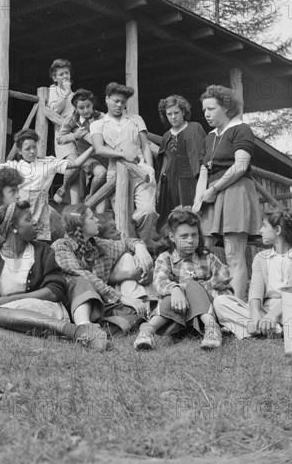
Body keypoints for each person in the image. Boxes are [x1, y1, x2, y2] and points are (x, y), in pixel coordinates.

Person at [0, 201, 109, 350]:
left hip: (48, 312)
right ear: (13, 228)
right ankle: (57, 344)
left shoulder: (43, 251)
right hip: (13, 318)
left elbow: (55, 290)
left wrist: (10, 299)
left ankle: (73, 330)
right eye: (28, 219)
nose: (35, 222)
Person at [0, 129, 93, 242]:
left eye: (34, 147)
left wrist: (93, 148)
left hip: (41, 211)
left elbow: (75, 164)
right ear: (20, 151)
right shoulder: (14, 166)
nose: (32, 151)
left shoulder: (48, 163)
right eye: (28, 149)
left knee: (42, 244)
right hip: (20, 210)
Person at [193, 85, 262, 301]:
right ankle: (203, 304)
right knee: (200, 251)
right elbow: (203, 172)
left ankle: (237, 307)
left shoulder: (241, 129)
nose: (206, 114)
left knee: (234, 256)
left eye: (211, 109)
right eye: (204, 109)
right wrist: (197, 201)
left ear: (226, 108)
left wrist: (214, 189)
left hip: (235, 193)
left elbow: (241, 166)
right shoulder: (209, 138)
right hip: (211, 197)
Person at [133, 207, 231, 351]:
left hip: (203, 315)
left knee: (192, 287)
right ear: (172, 237)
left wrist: (198, 287)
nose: (190, 241)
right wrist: (175, 289)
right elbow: (159, 283)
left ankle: (212, 330)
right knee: (170, 295)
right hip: (176, 317)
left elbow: (224, 277)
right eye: (184, 236)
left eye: (194, 235)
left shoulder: (207, 257)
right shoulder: (165, 258)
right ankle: (147, 333)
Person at [214, 208, 292, 339]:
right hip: (264, 310)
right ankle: (275, 330)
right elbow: (255, 290)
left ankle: (263, 329)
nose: (260, 230)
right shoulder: (260, 257)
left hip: (291, 309)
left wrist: (273, 315)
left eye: (264, 226)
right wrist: (254, 314)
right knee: (220, 301)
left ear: (278, 230)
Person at [52, 204, 154, 335]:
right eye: (91, 218)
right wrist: (121, 297)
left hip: (100, 303)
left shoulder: (98, 244)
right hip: (73, 304)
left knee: (134, 315)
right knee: (82, 281)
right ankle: (83, 327)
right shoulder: (61, 246)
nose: (96, 221)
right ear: (80, 225)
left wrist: (140, 248)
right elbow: (83, 274)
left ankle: (99, 330)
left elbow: (126, 243)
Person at [90, 82, 158, 248]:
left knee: (147, 211)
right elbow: (99, 148)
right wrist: (123, 154)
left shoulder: (135, 119)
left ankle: (146, 245)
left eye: (123, 102)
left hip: (141, 172)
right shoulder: (98, 124)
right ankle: (132, 251)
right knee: (124, 218)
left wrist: (150, 167)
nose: (120, 105)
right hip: (116, 174)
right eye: (116, 101)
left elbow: (145, 145)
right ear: (107, 99)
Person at [156, 95, 206, 229]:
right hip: (170, 182)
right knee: (171, 219)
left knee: (191, 217)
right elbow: (165, 160)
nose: (173, 117)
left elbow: (202, 156)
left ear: (183, 112)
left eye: (176, 113)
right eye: (169, 114)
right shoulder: (167, 135)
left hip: (191, 179)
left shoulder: (195, 127)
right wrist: (159, 184)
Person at [54, 89, 107, 211]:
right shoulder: (72, 120)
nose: (86, 110)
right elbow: (60, 139)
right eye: (81, 108)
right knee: (74, 167)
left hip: (101, 157)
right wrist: (75, 136)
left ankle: (91, 195)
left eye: (88, 106)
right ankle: (63, 188)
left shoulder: (102, 117)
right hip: (85, 157)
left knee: (102, 174)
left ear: (92, 104)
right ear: (76, 109)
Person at [96, 212, 156, 303]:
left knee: (136, 256)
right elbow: (102, 279)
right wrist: (130, 274)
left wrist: (147, 271)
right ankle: (137, 298)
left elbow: (128, 242)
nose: (119, 232)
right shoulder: (100, 251)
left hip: (141, 287)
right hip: (116, 294)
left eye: (116, 228)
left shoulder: (117, 246)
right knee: (126, 257)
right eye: (113, 231)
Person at [47, 58, 79, 204]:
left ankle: (74, 206)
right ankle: (63, 189)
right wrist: (65, 93)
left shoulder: (74, 93)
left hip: (77, 134)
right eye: (61, 74)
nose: (65, 76)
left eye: (67, 73)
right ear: (55, 78)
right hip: (63, 133)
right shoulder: (54, 90)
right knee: (74, 164)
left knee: (77, 172)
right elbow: (54, 110)